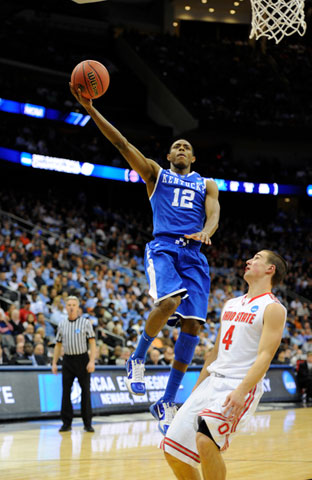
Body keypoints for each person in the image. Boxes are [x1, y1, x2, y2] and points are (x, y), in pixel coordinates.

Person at [70, 84, 220, 434]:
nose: (181, 148)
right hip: (165, 247)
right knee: (168, 302)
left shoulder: (207, 184)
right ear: (169, 156)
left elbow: (213, 213)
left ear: (193, 158)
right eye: (175, 146)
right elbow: (122, 144)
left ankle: (166, 399)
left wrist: (208, 230)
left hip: (195, 255)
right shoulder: (156, 174)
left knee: (193, 326)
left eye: (187, 146)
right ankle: (136, 358)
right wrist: (91, 110)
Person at [161, 250, 287, 480]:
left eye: (257, 258)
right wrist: (196, 390)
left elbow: (266, 355)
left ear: (271, 269)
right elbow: (215, 352)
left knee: (205, 441)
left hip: (239, 385)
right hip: (212, 381)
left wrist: (241, 391)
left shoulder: (273, 308)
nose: (248, 260)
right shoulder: (231, 304)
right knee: (172, 449)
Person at [51, 296, 96, 433]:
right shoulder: (62, 324)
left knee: (86, 393)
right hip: (68, 361)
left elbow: (92, 343)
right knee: (65, 392)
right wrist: (54, 362)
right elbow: (58, 345)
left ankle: (87, 423)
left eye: (73, 305)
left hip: (82, 360)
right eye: (69, 304)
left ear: (78, 307)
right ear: (66, 307)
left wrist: (92, 360)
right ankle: (66, 423)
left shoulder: (85, 323)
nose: (71, 307)